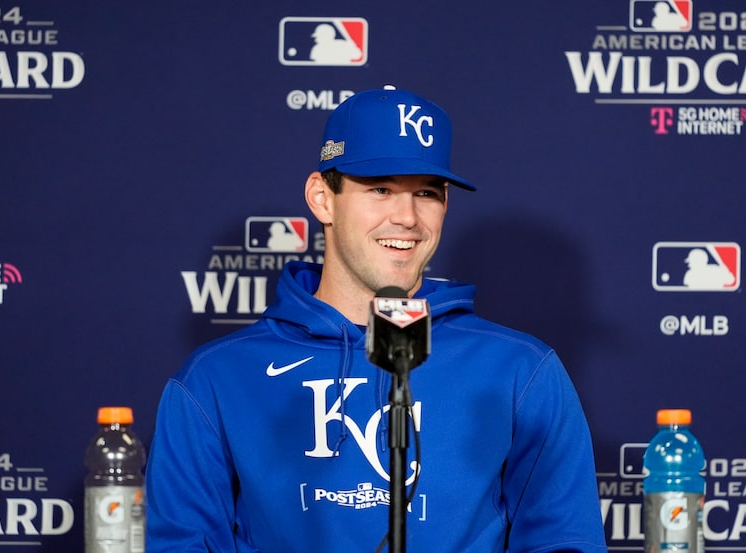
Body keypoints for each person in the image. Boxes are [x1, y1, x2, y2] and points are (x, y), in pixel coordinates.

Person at [146, 85, 607, 553]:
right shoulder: (215, 379)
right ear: (322, 197)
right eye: (381, 188)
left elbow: (565, 541)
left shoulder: (519, 370)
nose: (406, 217)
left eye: (426, 192)